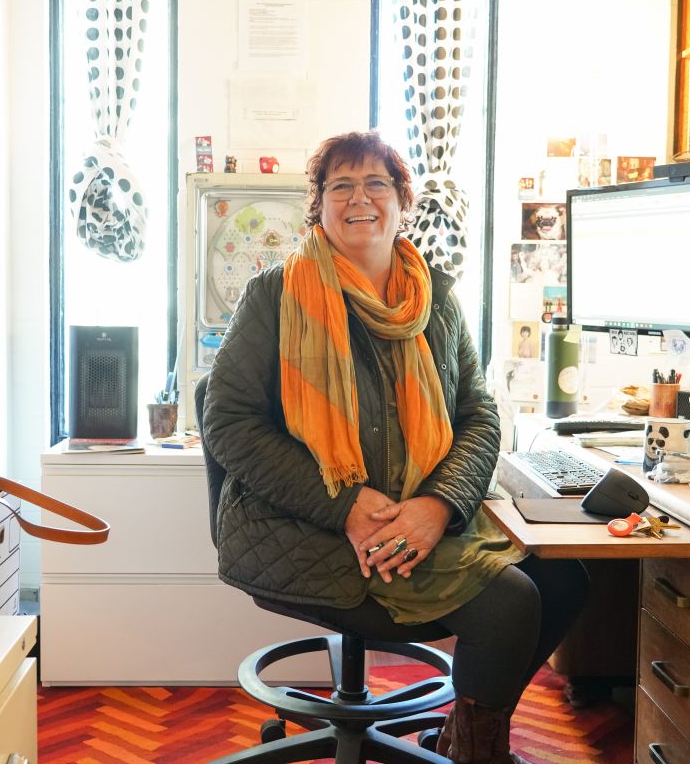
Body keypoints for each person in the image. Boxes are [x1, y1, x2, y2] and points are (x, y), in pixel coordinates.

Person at [203, 131, 589, 764]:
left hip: (420, 516)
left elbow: (479, 415)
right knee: (509, 604)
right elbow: (228, 424)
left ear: (402, 200)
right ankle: (478, 755)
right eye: (341, 186)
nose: (360, 199)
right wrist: (348, 506)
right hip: (301, 524)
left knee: (567, 578)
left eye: (376, 183)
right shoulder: (274, 296)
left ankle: (465, 732)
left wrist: (438, 506)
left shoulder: (435, 298)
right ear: (319, 207)